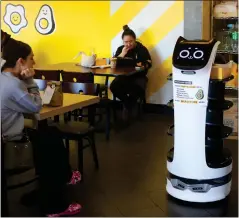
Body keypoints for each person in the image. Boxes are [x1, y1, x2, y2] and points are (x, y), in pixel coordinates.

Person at [1, 38, 81, 217]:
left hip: (5, 134)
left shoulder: (4, 77)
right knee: (51, 146)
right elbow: (36, 105)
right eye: (31, 58)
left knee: (51, 133)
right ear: (20, 62)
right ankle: (54, 206)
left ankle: (51, 185)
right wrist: (29, 81)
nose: (34, 62)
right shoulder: (13, 85)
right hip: (10, 142)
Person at [110, 25, 152, 121]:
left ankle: (127, 106)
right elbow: (113, 64)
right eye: (126, 42)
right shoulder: (121, 49)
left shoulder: (142, 49)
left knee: (138, 88)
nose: (128, 44)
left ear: (135, 40)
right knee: (113, 86)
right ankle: (128, 104)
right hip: (123, 77)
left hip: (138, 77)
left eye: (130, 41)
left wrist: (143, 65)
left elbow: (149, 63)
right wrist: (121, 55)